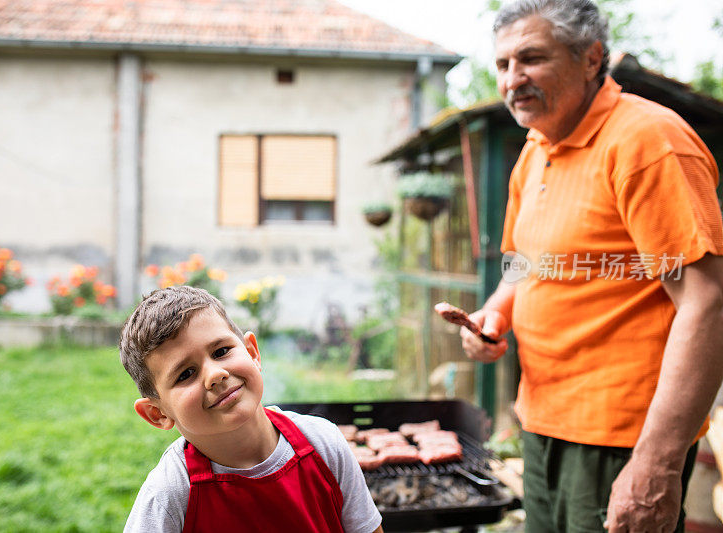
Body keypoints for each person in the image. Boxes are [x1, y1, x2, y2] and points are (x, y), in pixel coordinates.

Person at [439, 1, 723, 531]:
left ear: (591, 58)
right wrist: (495, 316)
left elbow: (707, 302)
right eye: (502, 64)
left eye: (531, 58)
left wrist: (657, 461)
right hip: (543, 419)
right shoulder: (536, 148)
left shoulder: (648, 143)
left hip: (620, 436)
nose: (512, 79)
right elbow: (522, 264)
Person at [119, 285, 383, 533]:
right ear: (158, 414)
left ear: (252, 352)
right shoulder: (169, 495)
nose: (215, 374)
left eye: (221, 351)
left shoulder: (324, 444)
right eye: (186, 373)